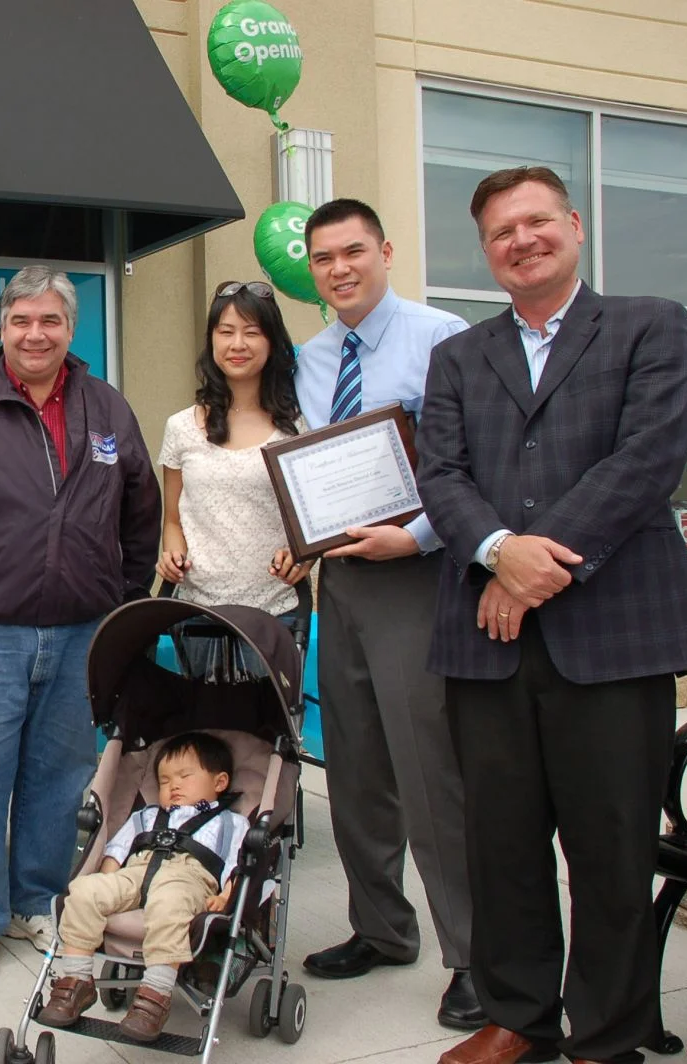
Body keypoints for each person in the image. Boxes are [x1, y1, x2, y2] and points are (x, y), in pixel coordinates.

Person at [417, 166, 687, 1064]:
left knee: (613, 845)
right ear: (485, 251)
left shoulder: (648, 325)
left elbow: (650, 458)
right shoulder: (459, 356)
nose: (521, 241)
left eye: (535, 221)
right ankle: (518, 1016)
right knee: (501, 842)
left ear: (575, 226)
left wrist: (528, 565)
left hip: (614, 633)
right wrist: (495, 551)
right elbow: (441, 475)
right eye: (500, 232)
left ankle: (607, 1034)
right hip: (489, 644)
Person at [0, 264, 162, 987]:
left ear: (70, 329)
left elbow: (141, 511)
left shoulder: (106, 409)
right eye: (21, 321)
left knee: (59, 776)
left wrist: (125, 607)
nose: (34, 334)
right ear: (1, 327)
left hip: (82, 630)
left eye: (49, 321)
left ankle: (36, 901)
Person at [293, 198, 482, 1030]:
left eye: (353, 251)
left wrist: (419, 537)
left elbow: (473, 461)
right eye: (323, 258)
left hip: (418, 575)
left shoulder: (443, 338)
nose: (339, 269)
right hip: (342, 584)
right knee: (357, 766)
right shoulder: (308, 358)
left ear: (385, 251)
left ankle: (474, 956)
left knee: (429, 772)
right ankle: (380, 928)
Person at [36, 732, 248, 1043]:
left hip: (189, 877)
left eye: (185, 776)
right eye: (164, 780)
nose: (173, 785)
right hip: (137, 870)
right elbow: (118, 850)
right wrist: (105, 881)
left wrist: (227, 895)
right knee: (83, 891)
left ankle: (155, 996)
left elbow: (237, 864)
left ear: (220, 782)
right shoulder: (147, 815)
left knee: (170, 905)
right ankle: (77, 980)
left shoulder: (232, 823)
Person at [156, 281, 311, 625]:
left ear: (272, 341)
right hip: (196, 613)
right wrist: (171, 555)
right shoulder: (180, 426)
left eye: (251, 332)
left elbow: (312, 519)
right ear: (212, 339)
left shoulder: (298, 426)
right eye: (226, 332)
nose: (237, 344)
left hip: (277, 611)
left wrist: (304, 557)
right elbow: (173, 520)